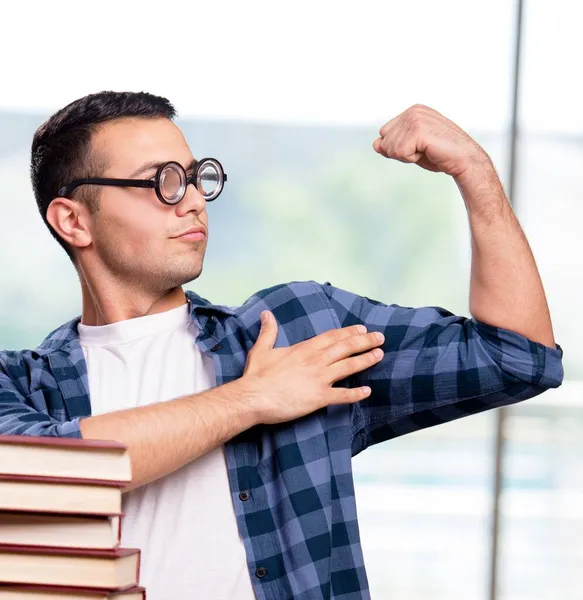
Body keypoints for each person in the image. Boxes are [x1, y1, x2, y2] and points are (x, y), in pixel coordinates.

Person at [0, 91, 562, 600]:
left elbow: (516, 356)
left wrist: (476, 172)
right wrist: (252, 400)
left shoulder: (298, 327)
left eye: (197, 177)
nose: (194, 200)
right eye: (162, 180)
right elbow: (50, 468)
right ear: (73, 220)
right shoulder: (22, 385)